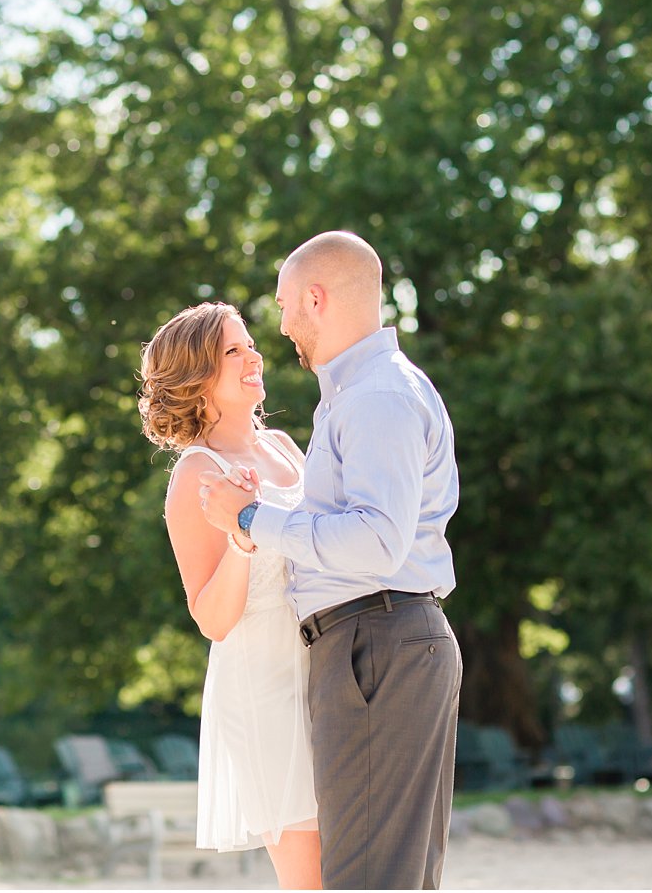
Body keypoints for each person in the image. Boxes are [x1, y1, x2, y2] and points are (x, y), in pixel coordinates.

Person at [200, 230, 462, 890]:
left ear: (316, 299)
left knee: (368, 880)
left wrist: (251, 519)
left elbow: (377, 542)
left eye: (287, 306)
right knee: (391, 877)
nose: (282, 326)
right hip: (380, 641)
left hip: (375, 641)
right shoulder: (359, 394)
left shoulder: (376, 396)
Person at [137, 301, 322, 890]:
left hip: (330, 664)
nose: (254, 357)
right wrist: (243, 537)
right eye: (232, 351)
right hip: (262, 683)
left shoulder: (288, 449)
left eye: (251, 344)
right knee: (311, 874)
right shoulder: (197, 473)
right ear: (197, 377)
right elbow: (212, 619)